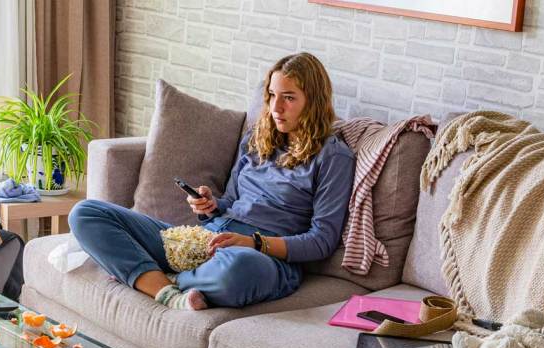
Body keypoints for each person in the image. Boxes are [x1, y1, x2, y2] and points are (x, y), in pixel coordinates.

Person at [69, 52, 355, 310]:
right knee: (86, 213)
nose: (276, 107)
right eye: (271, 95)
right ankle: (169, 288)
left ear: (314, 101)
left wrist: (253, 243)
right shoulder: (257, 139)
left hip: (265, 258)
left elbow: (321, 241)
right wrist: (211, 206)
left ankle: (153, 277)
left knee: (238, 271)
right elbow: (230, 203)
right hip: (211, 240)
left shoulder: (333, 156)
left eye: (289, 97)